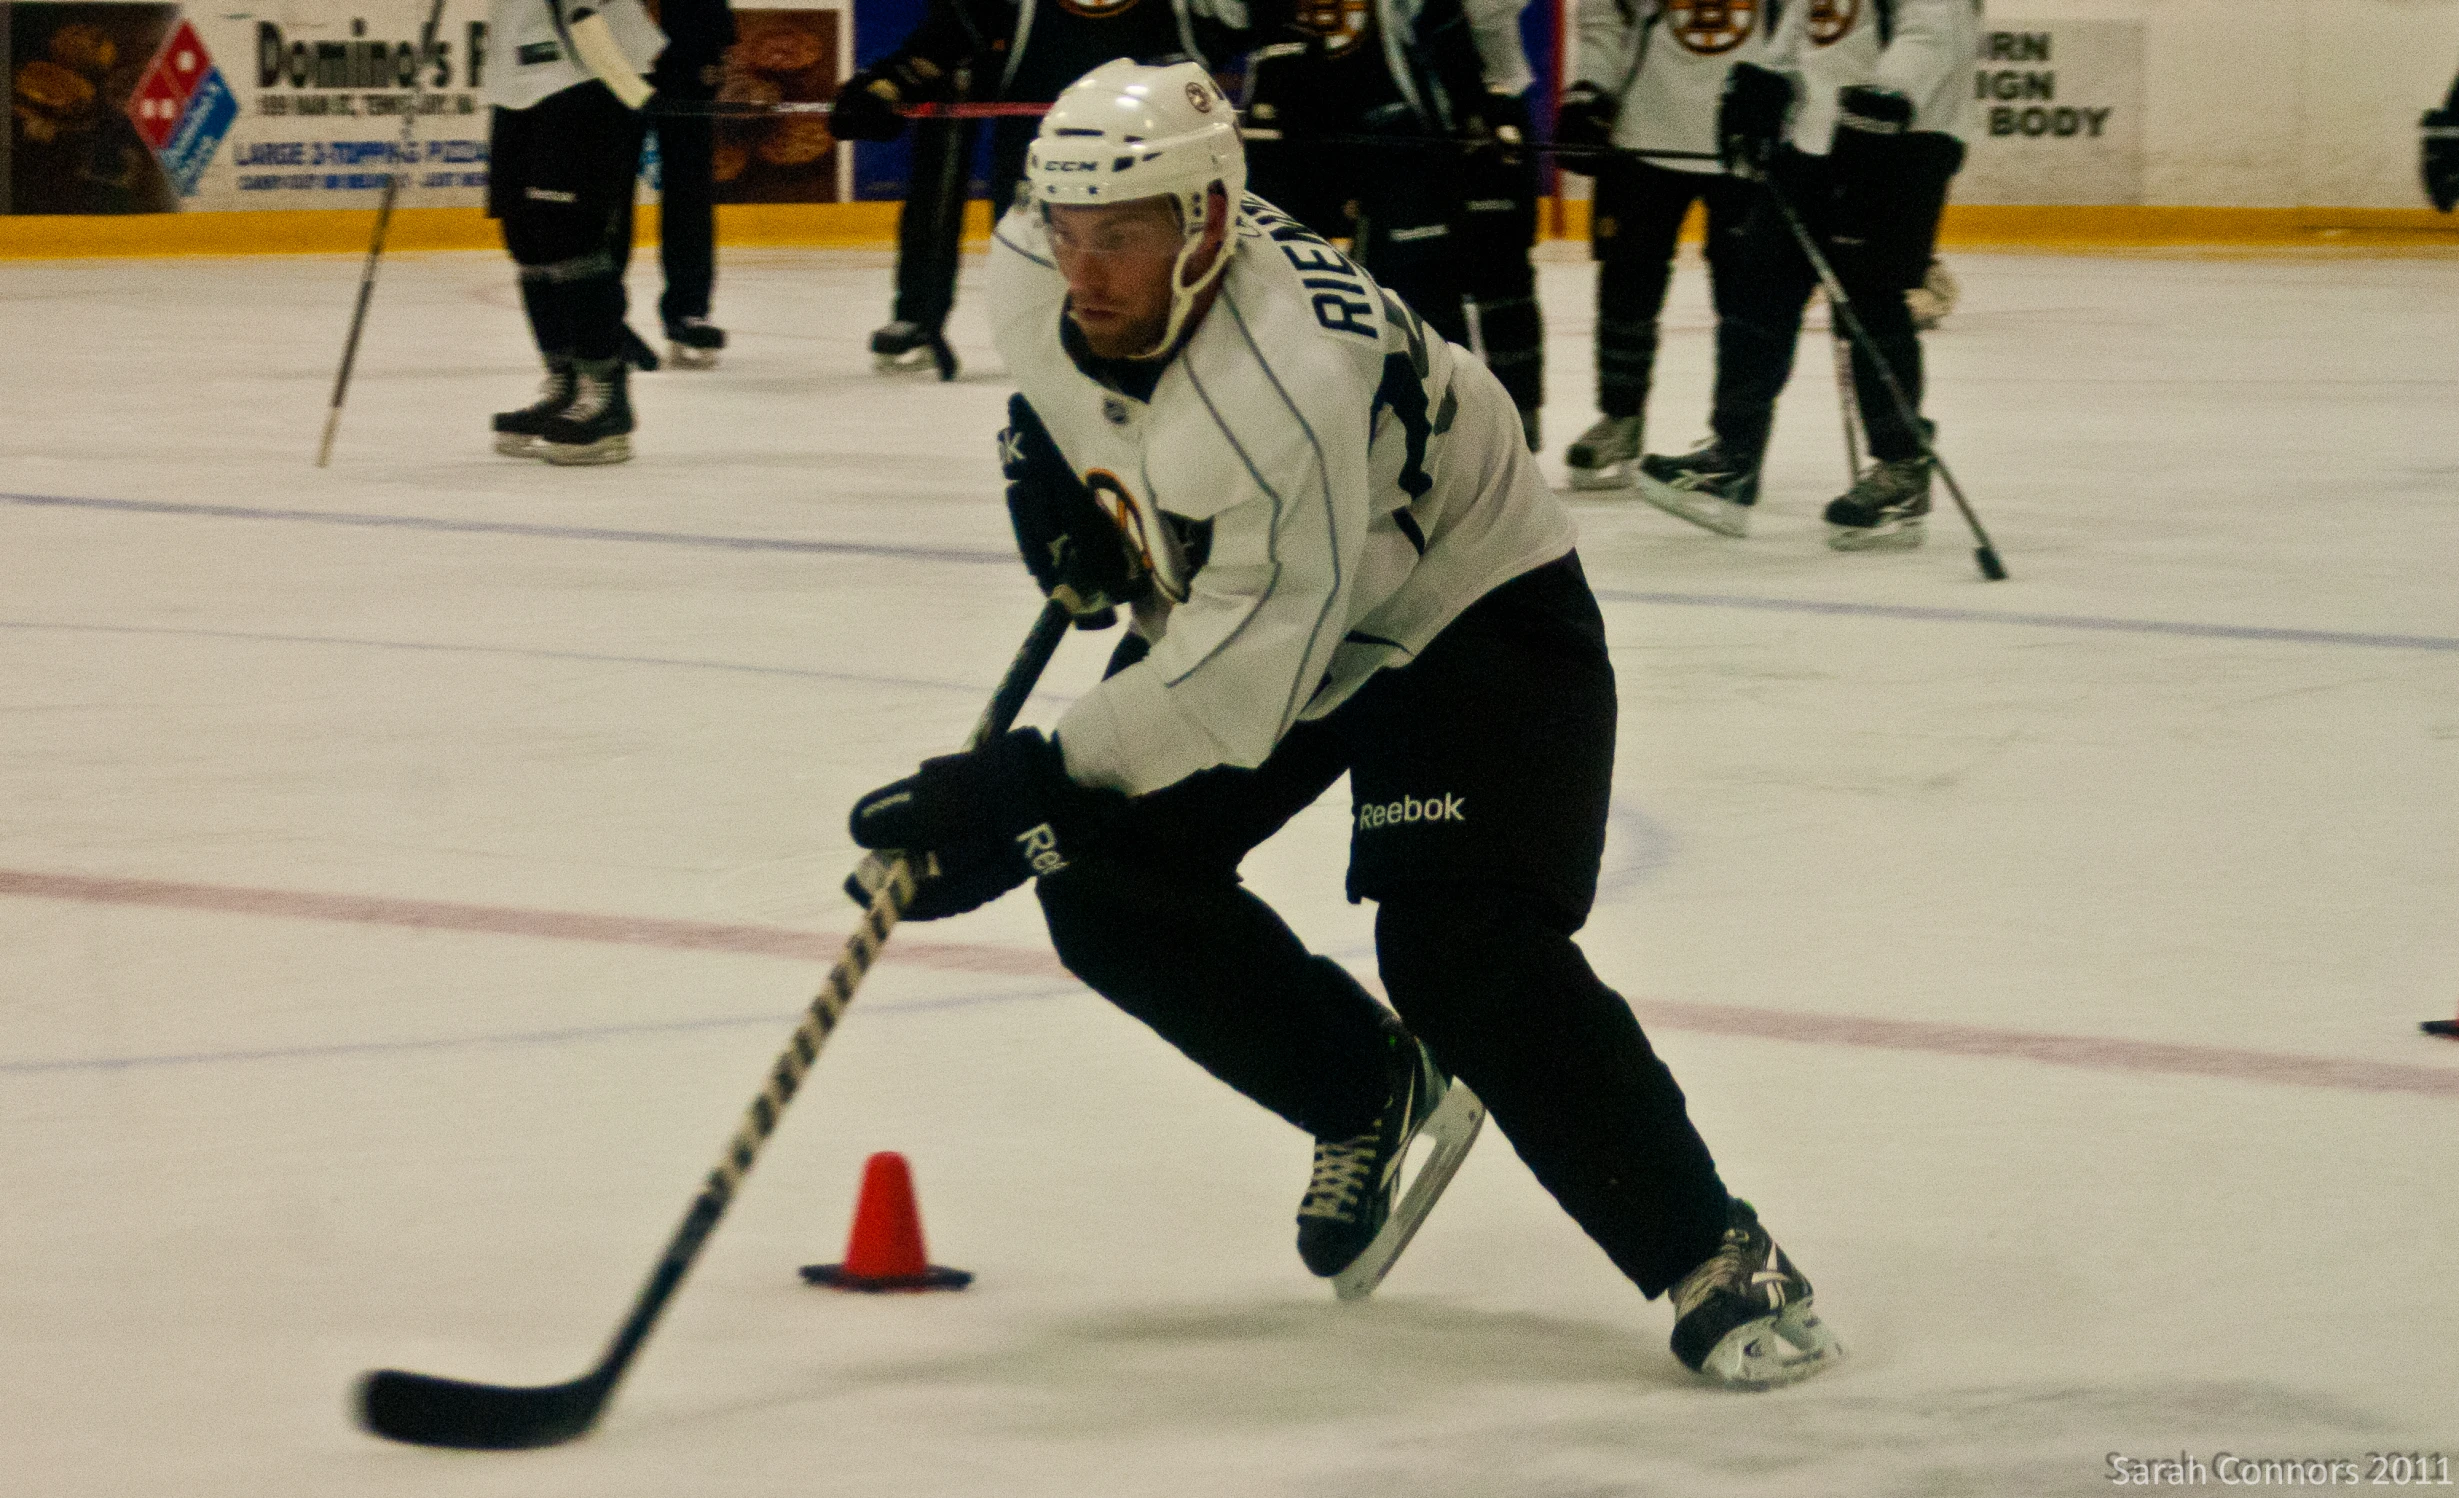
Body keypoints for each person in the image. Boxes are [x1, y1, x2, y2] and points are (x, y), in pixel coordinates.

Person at [843, 58, 1843, 1388]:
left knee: (1458, 942)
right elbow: (1060, 398)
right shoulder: (1035, 255)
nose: (1085, 271)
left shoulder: (1285, 381)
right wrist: (1058, 478)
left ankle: (1713, 1252)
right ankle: (1364, 1088)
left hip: (1466, 600)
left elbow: (1243, 675)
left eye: (1122, 240)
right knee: (1098, 879)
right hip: (1282, 581)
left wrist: (1021, 785)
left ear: (1203, 222)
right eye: (1072, 235)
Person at [1633, 0, 1978, 549]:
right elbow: (1799, 27)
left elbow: (1932, 34)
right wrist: (1764, 86)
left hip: (1904, 144)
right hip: (1815, 145)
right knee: (1757, 289)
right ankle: (1734, 454)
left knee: (1870, 302)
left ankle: (1901, 467)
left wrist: (1882, 96)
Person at [827, 0, 1251, 382]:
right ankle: (920, 312)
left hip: (1164, 160)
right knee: (1040, 264)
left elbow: (1244, 28)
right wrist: (889, 84)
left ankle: (1217, 328)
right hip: (1040, 156)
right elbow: (956, 30)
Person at [1242, 0, 1543, 443]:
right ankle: (1304, 417)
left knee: (1434, 278)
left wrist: (1479, 107)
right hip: (1297, 121)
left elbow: (1458, 32)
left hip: (1412, 137)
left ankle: (1472, 425)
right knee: (1281, 274)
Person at [1552, 0, 1764, 490]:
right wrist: (1592, 86)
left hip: (1745, 136)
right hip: (1644, 130)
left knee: (1745, 299)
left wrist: (1785, 90)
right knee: (1627, 280)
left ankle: (1736, 439)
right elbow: (1606, 14)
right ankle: (1620, 416)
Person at [486, 0, 666, 463]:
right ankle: (565, 383)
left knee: (569, 237)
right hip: (513, 74)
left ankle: (604, 395)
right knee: (526, 240)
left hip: (583, 71)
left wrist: (631, 88)